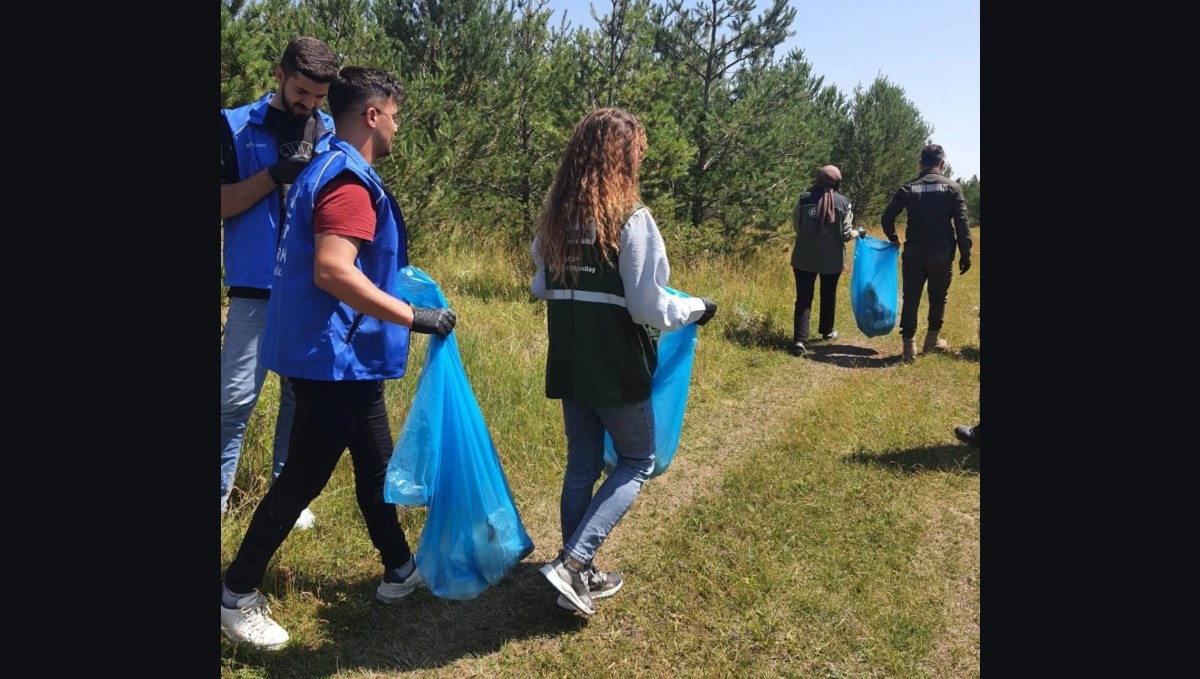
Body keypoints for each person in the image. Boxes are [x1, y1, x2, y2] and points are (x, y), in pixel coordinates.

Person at [220, 65, 458, 651]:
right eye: (396, 117)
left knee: (375, 461)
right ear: (372, 116)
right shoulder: (349, 180)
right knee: (302, 478)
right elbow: (332, 270)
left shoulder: (325, 162)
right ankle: (234, 594)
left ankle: (398, 568)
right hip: (336, 355)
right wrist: (413, 316)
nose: (399, 128)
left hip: (343, 355)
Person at [530, 108, 718, 616]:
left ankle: (577, 572)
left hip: (571, 361)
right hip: (615, 364)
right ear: (624, 157)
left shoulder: (556, 218)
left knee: (581, 466)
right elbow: (648, 306)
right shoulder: (632, 218)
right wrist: (697, 308)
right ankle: (573, 565)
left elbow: (540, 286)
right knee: (637, 461)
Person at [220, 36, 339, 529]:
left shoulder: (329, 130)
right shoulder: (234, 126)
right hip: (253, 286)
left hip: (308, 286)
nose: (309, 104)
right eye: (301, 91)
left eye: (318, 96)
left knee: (300, 399)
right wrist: (275, 174)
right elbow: (222, 203)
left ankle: (286, 498)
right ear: (278, 74)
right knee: (233, 399)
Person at [881, 143, 973, 363]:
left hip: (914, 251)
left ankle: (908, 349)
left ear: (920, 163)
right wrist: (965, 254)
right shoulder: (953, 188)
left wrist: (893, 238)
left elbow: (887, 218)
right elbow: (962, 224)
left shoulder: (908, 188)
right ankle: (931, 342)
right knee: (938, 297)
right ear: (942, 163)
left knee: (911, 296)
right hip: (941, 252)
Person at [789, 164, 864, 356]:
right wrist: (859, 233)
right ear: (837, 182)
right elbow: (846, 234)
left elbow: (797, 225)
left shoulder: (804, 199)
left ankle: (799, 340)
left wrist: (808, 239)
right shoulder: (843, 203)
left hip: (804, 257)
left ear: (818, 179)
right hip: (832, 259)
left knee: (804, 298)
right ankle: (827, 332)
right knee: (828, 294)